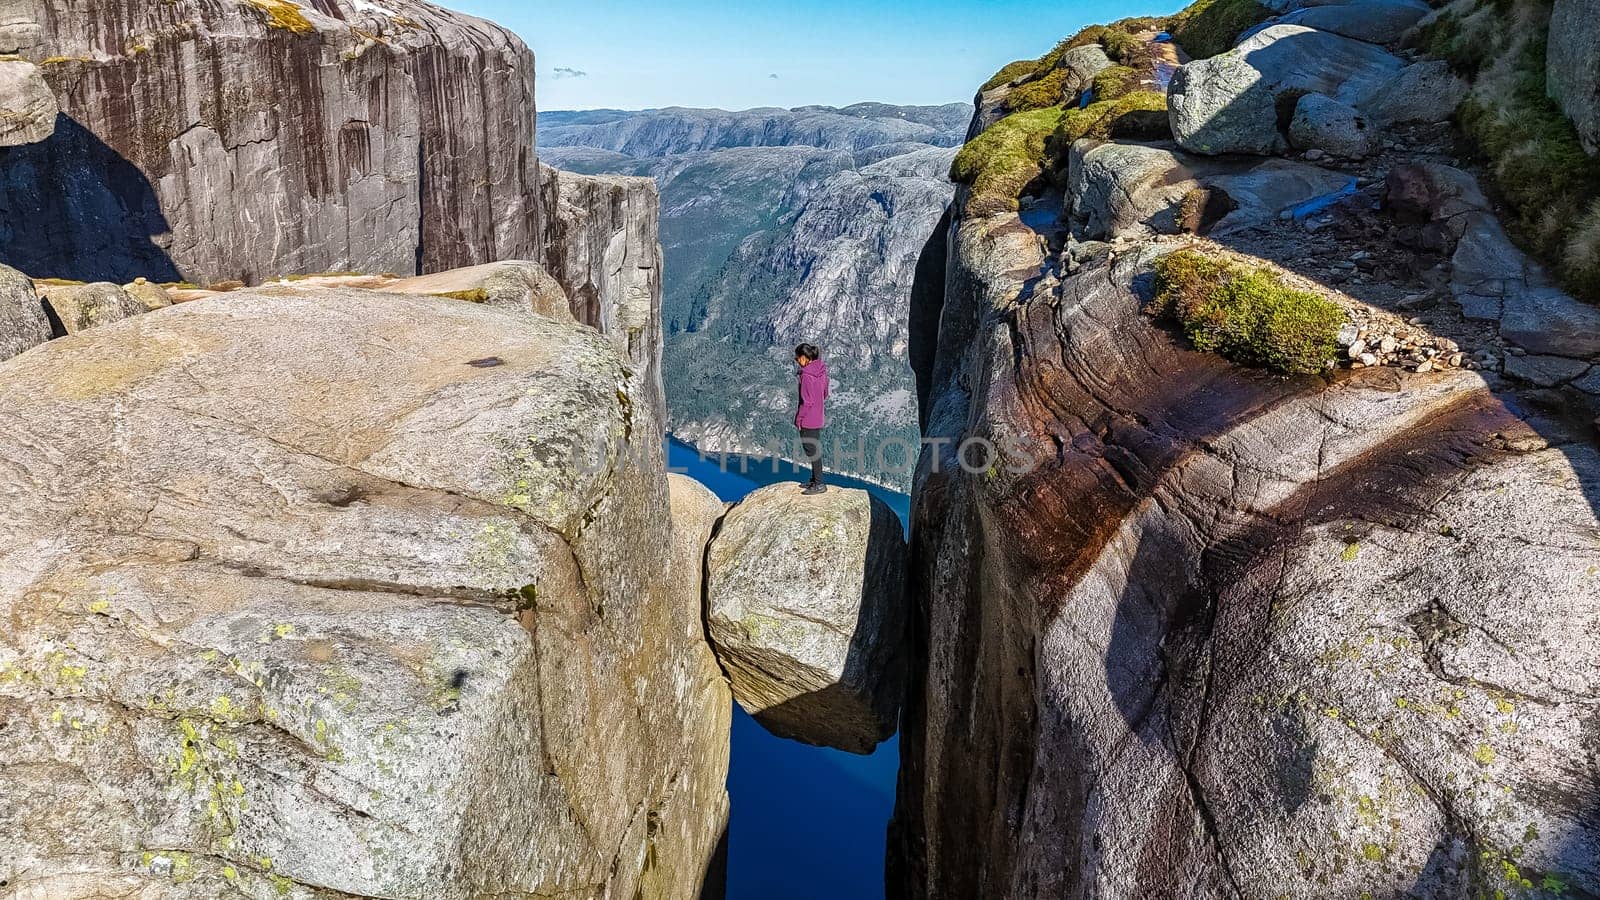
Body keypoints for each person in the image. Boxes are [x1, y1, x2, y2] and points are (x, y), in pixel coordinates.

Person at [794, 342, 829, 495]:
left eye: (798, 358)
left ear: (805, 358)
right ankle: (815, 480)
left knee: (812, 451)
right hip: (818, 417)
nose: (797, 361)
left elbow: (806, 402)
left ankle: (819, 484)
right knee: (814, 449)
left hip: (808, 419)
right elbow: (825, 393)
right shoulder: (821, 371)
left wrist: (798, 419)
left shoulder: (807, 376)